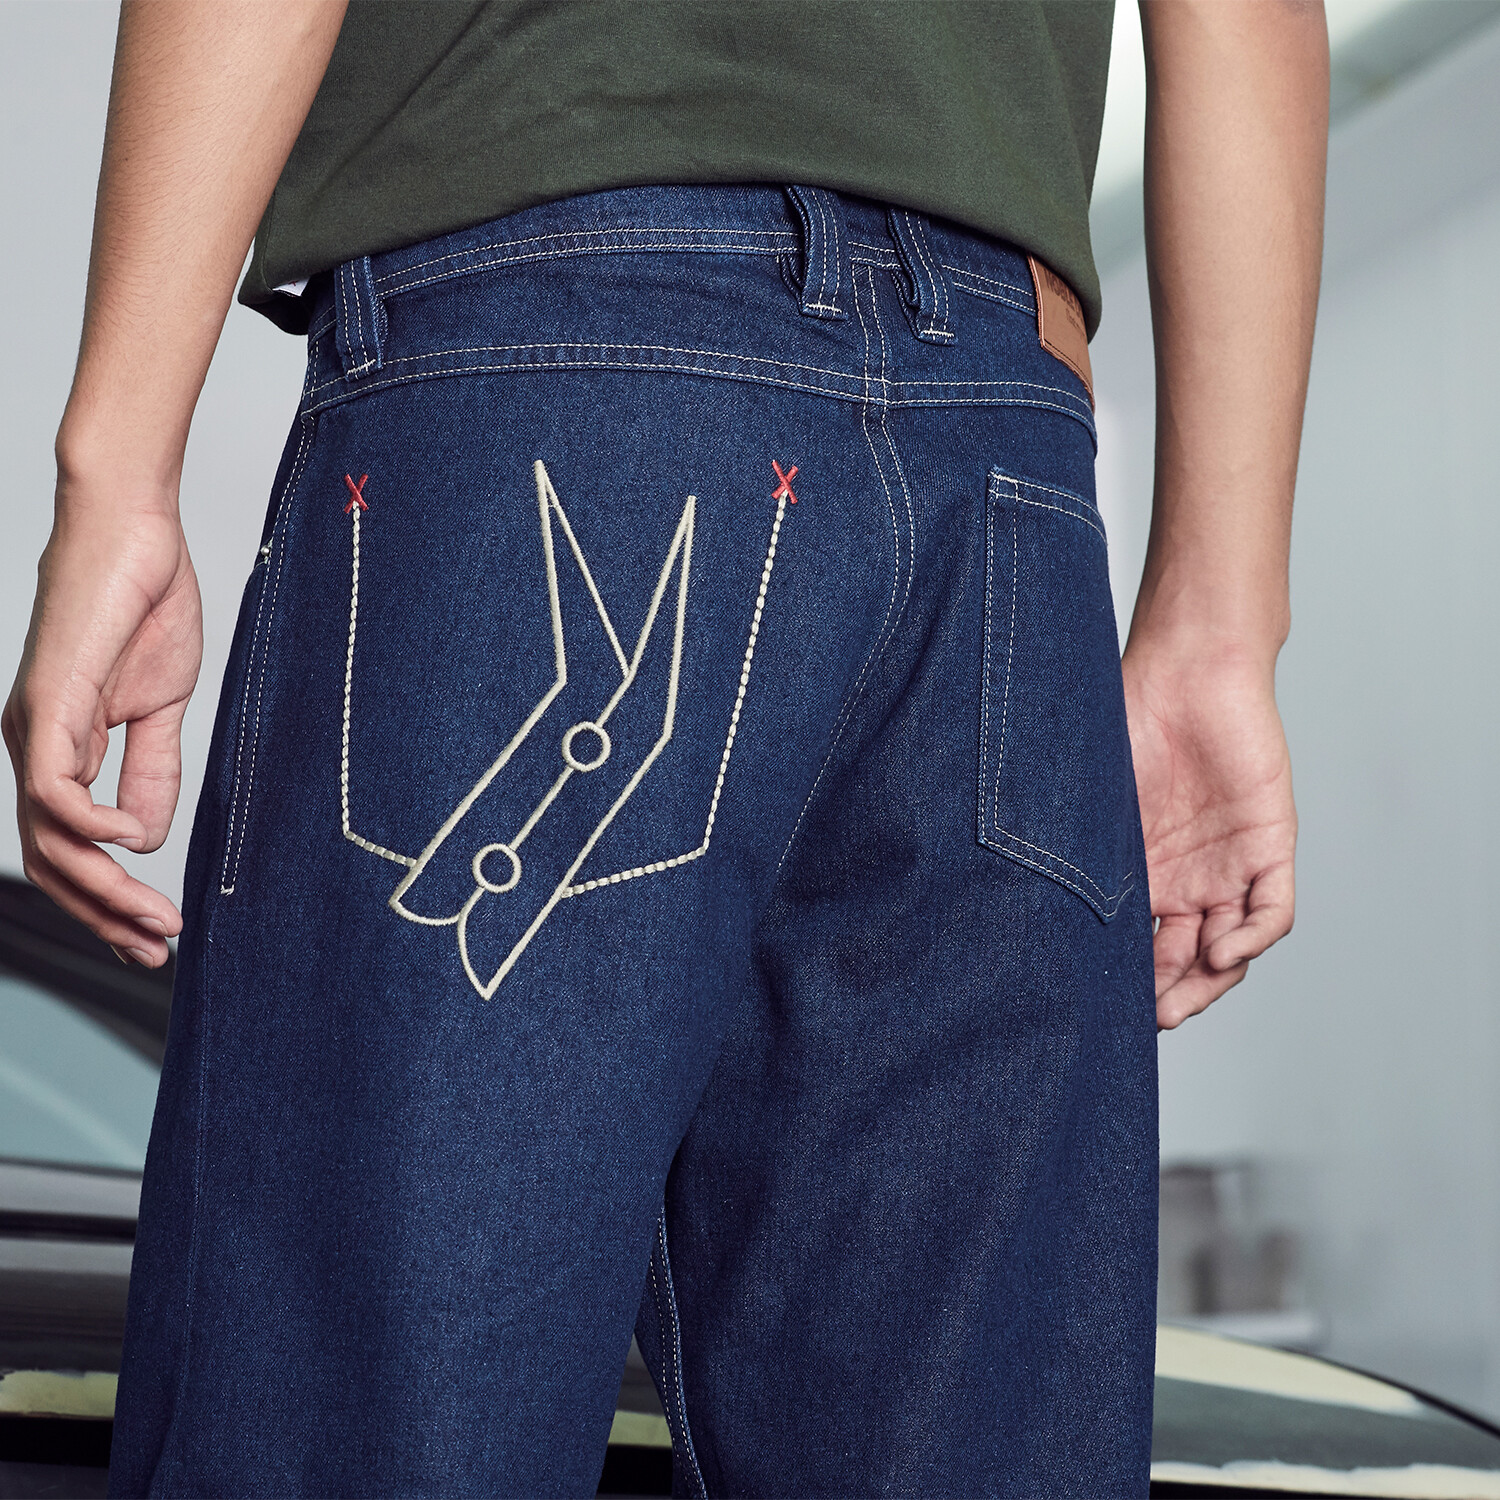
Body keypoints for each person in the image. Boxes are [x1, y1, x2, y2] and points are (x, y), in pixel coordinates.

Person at [3, 2, 1326, 1495]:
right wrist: (1219, 620)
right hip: (1002, 461)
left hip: (561, 337)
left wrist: (115, 471)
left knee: (362, 1437)